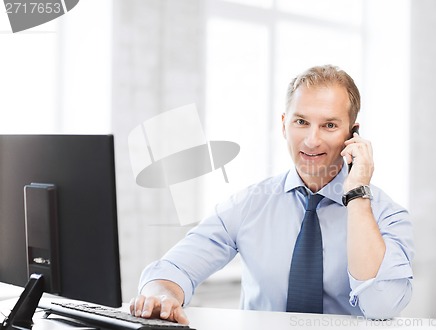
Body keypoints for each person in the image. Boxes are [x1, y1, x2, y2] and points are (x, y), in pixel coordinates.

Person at [129, 65, 414, 325]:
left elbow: (382, 305)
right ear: (283, 124)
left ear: (352, 134)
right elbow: (175, 267)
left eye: (329, 125)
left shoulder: (386, 214)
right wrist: (161, 294)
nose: (312, 140)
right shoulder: (249, 204)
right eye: (301, 122)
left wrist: (357, 195)